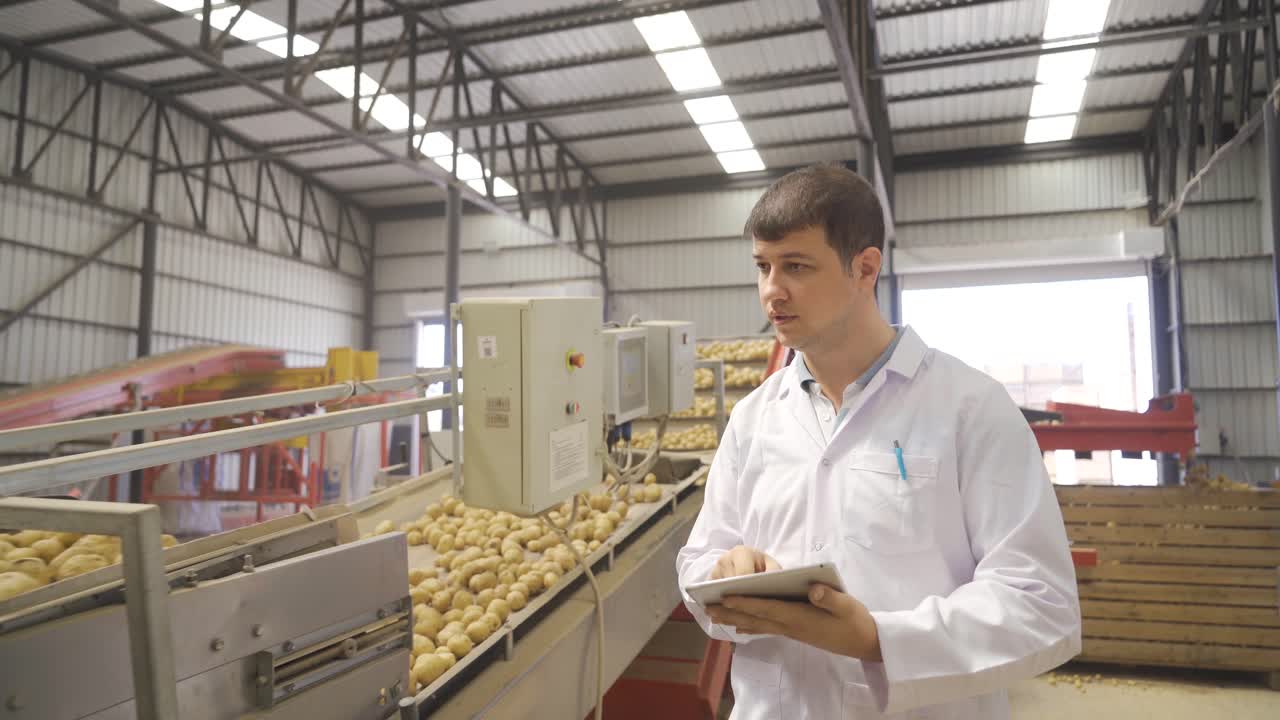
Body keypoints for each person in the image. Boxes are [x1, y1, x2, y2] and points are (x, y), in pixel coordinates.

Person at [675, 164, 1081, 719]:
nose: (773, 290)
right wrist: (727, 574)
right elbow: (699, 560)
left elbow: (1040, 602)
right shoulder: (754, 418)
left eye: (796, 266)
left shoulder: (969, 407)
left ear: (865, 268)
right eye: (763, 267)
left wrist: (877, 639)